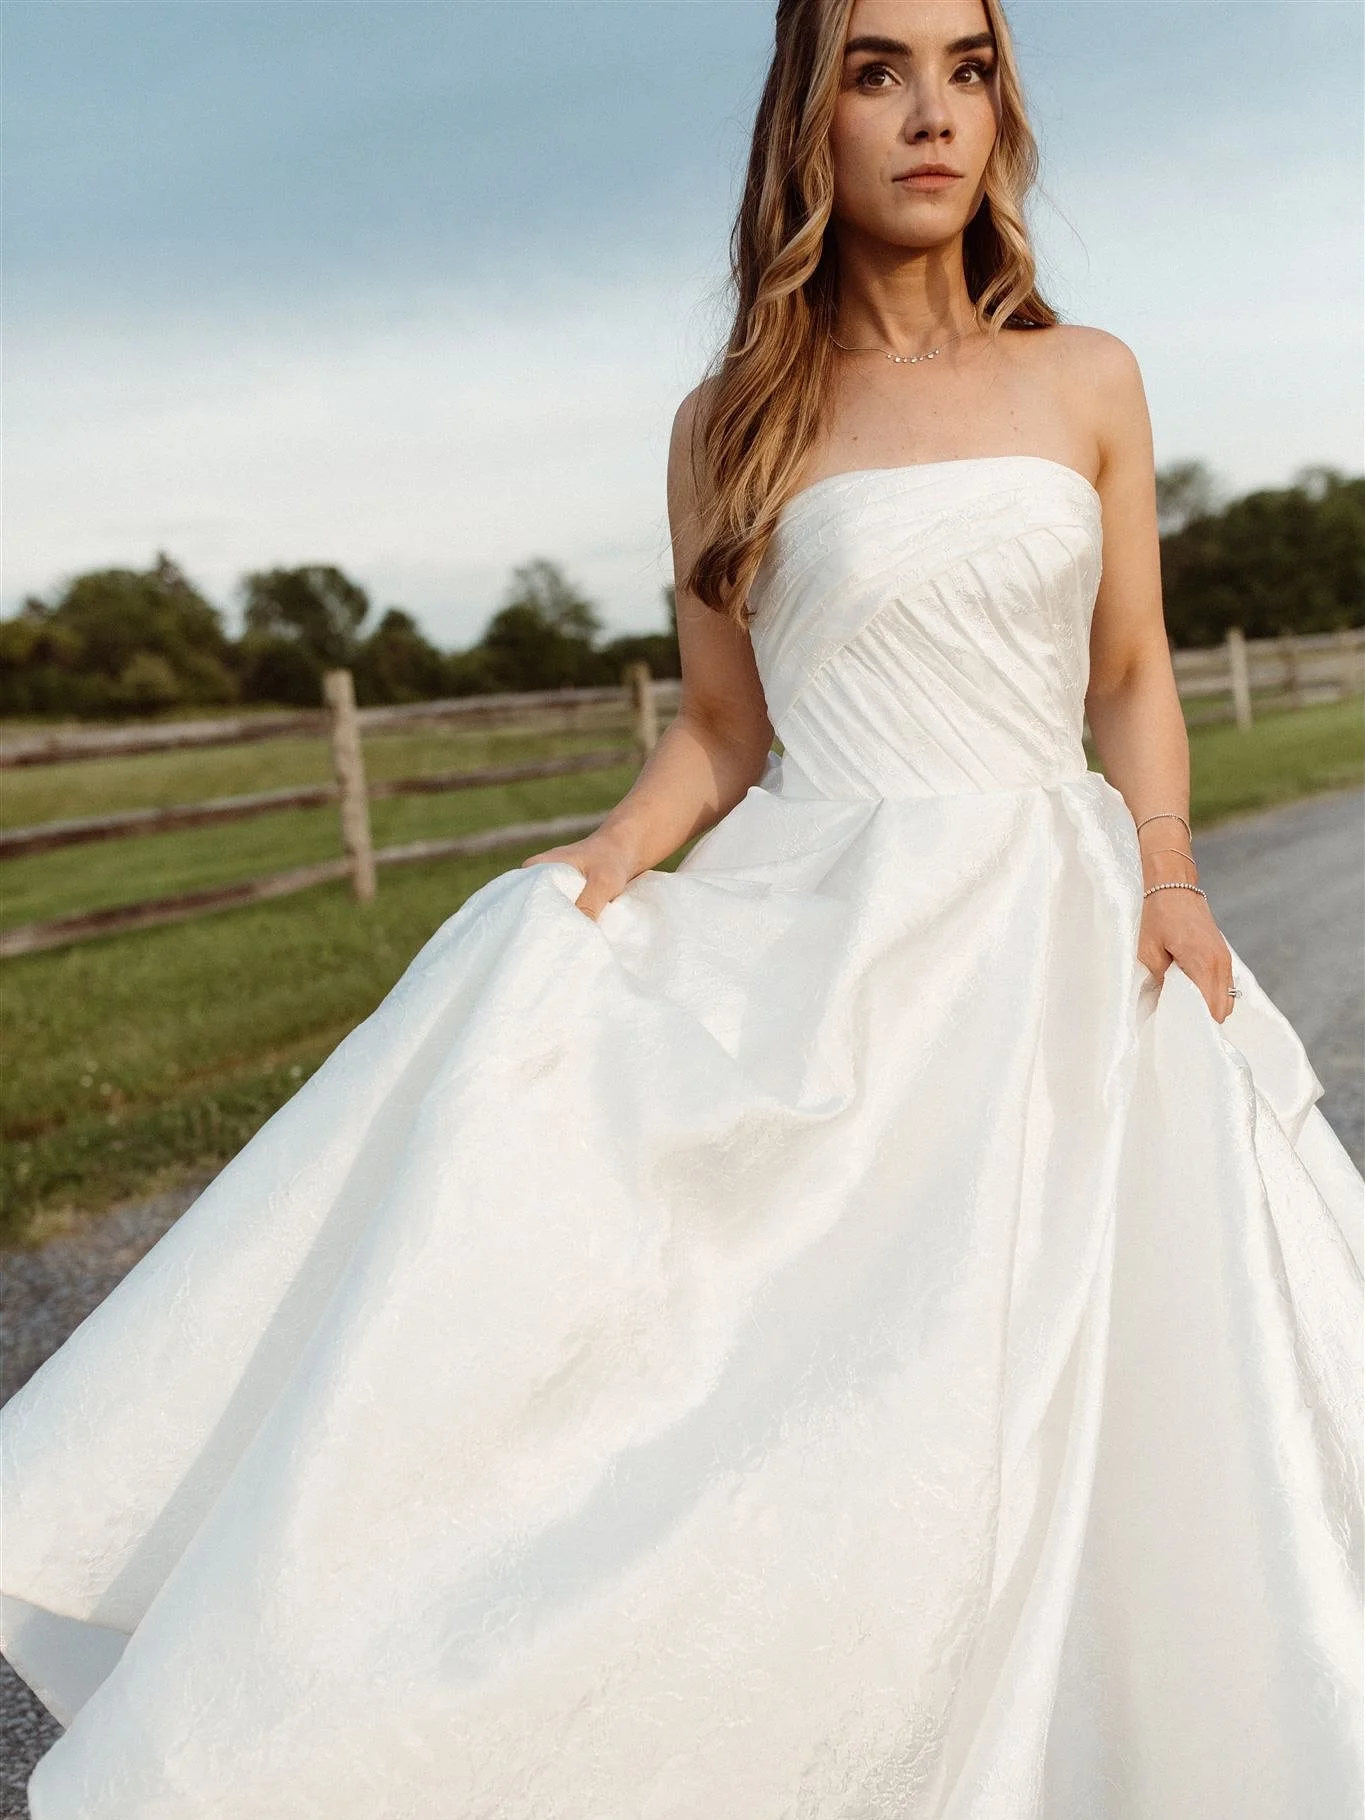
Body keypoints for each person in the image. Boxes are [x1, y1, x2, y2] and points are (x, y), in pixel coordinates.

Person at [2, 0, 1360, 1814]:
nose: (932, 113)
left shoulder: (1087, 377)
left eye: (968, 70)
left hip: (1061, 931)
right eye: (880, 69)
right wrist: (598, 868)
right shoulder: (730, 422)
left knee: (1127, 1391)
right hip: (835, 938)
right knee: (790, 1396)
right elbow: (724, 732)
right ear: (812, 113)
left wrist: (1174, 877)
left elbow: (1129, 672)